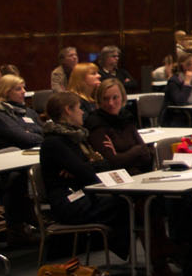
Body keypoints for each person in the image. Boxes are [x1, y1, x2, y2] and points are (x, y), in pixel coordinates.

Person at [39, 91, 131, 260]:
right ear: (68, 110)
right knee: (125, 201)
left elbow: (104, 164)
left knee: (132, 201)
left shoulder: (77, 136)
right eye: (79, 108)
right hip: (69, 202)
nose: (82, 112)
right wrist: (86, 167)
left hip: (85, 193)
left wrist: (83, 167)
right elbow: (89, 174)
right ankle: (137, 254)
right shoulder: (54, 142)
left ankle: (148, 256)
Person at [85, 78, 154, 174]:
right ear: (99, 100)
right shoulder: (96, 123)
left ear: (123, 98)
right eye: (105, 99)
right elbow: (112, 163)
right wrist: (136, 151)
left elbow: (146, 156)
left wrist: (121, 155)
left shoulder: (126, 117)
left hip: (138, 173)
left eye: (115, 97)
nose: (110, 103)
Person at [0, 74, 43, 148]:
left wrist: (29, 131)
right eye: (18, 89)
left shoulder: (28, 111)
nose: (24, 91)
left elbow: (45, 132)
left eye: (23, 88)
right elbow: (25, 139)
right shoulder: (0, 115)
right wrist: (38, 135)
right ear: (6, 92)